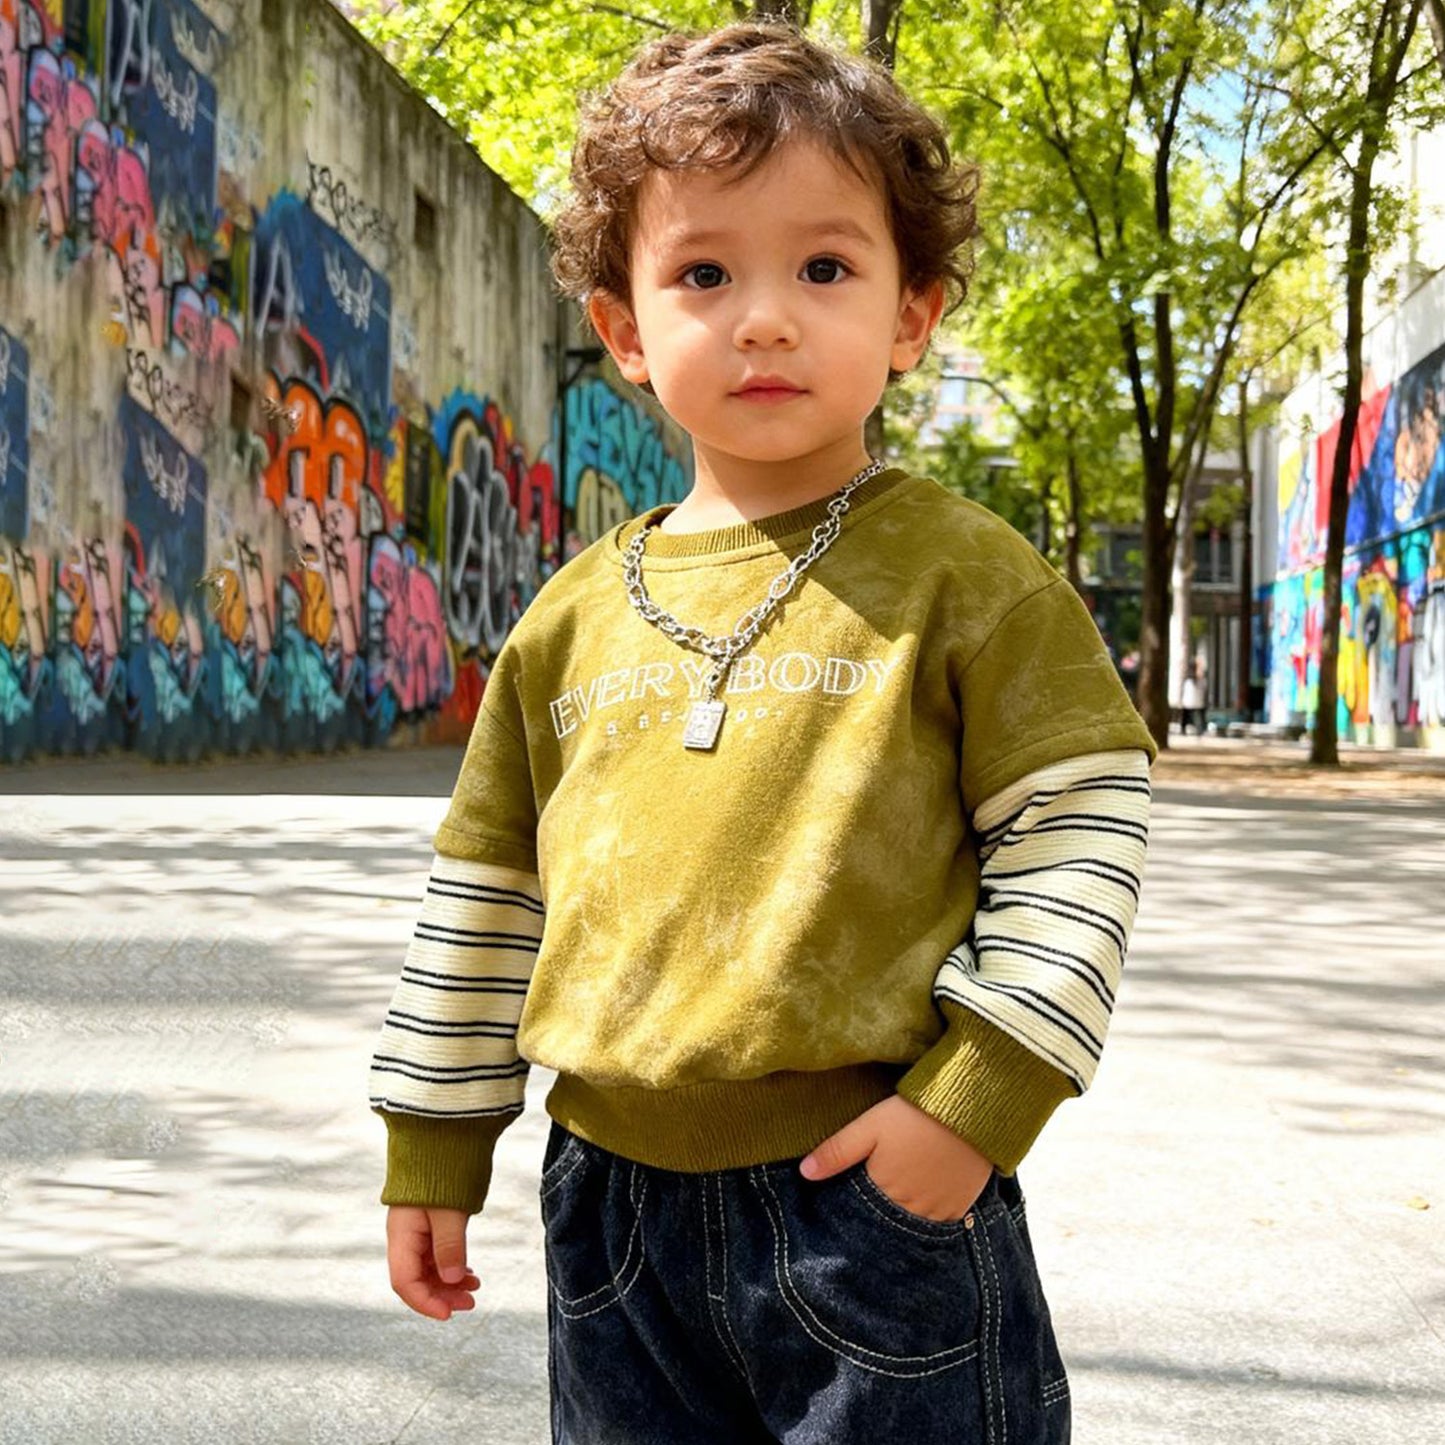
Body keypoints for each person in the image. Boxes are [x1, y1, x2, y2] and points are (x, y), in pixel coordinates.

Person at [368, 21, 1156, 1444]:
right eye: (704, 273)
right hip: (610, 1210)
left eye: (825, 267)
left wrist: (972, 1105)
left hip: (872, 1203)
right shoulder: (567, 619)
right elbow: (485, 893)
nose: (765, 317)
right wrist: (435, 1137)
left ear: (910, 314)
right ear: (624, 327)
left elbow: (1077, 837)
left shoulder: (964, 576)